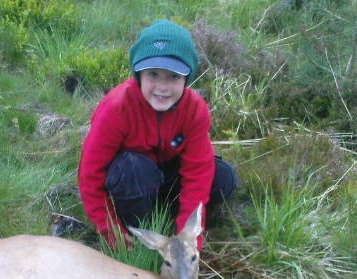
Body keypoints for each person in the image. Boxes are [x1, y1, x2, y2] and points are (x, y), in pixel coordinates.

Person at [77, 19, 238, 249]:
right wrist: (109, 230)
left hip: (167, 176)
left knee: (223, 177)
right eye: (153, 74)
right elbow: (90, 174)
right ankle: (137, 228)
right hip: (133, 180)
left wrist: (189, 239)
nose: (162, 87)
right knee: (133, 167)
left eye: (173, 77)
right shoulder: (116, 108)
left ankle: (170, 219)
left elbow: (197, 175)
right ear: (138, 74)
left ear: (186, 78)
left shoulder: (195, 110)